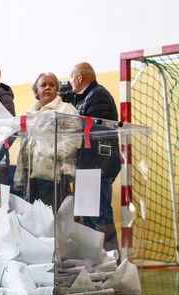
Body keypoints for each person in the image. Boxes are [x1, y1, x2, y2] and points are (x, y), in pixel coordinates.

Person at [69, 62, 121, 253]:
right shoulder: (87, 97)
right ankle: (96, 260)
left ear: (80, 78)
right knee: (89, 216)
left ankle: (110, 260)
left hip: (97, 166)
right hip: (88, 167)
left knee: (100, 215)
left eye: (72, 76)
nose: (70, 81)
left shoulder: (97, 95)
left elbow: (96, 133)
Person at [13, 72, 81, 208]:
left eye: (52, 85)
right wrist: (20, 175)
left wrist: (47, 153)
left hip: (56, 175)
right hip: (31, 175)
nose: (48, 88)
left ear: (57, 89)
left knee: (53, 219)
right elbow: (24, 146)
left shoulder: (66, 109)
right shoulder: (30, 113)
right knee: (34, 219)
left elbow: (73, 140)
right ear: (36, 90)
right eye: (43, 85)